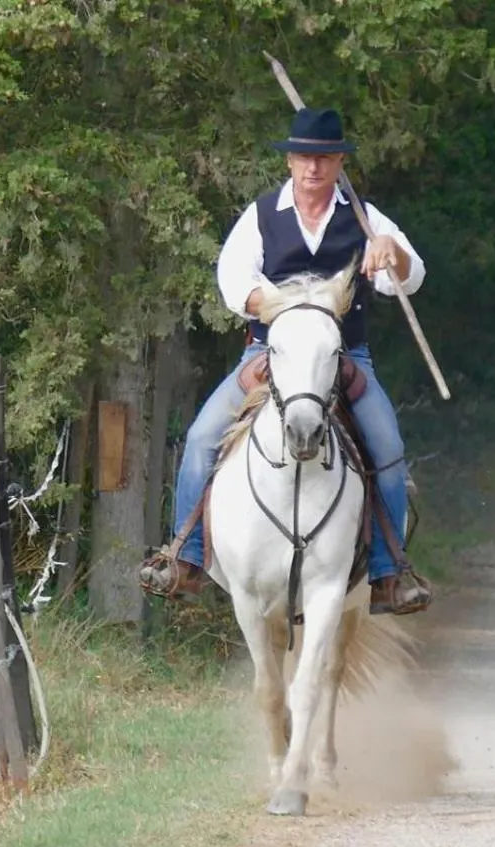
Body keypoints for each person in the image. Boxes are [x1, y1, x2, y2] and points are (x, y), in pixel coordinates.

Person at [137, 106, 431, 617]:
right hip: (268, 352)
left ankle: (389, 574)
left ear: (340, 161)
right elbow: (234, 283)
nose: (312, 168)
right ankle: (184, 557)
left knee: (387, 450)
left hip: (345, 356)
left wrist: (391, 251)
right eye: (303, 157)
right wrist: (287, 312)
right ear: (290, 160)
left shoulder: (366, 220)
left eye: (323, 158)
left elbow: (407, 278)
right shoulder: (262, 214)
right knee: (204, 437)